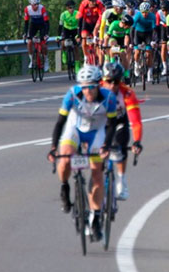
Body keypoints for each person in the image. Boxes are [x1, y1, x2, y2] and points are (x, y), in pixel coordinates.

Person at [48, 66, 119, 239]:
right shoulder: (72, 94)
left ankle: (95, 217)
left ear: (98, 85)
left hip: (98, 131)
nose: (88, 90)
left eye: (91, 86)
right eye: (84, 86)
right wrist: (53, 147)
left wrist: (106, 147)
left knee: (97, 172)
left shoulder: (108, 97)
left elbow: (111, 126)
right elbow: (60, 122)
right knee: (64, 160)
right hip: (75, 129)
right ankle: (65, 187)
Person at [101, 61, 143, 201]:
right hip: (100, 122)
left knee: (121, 142)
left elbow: (135, 122)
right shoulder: (96, 90)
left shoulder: (127, 94)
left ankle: (121, 179)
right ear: (103, 80)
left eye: (116, 82)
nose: (113, 85)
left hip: (119, 121)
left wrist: (137, 141)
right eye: (109, 81)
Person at [22, 0, 50, 72]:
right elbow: (26, 22)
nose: (36, 6)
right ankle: (31, 60)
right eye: (35, 4)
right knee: (29, 41)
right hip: (33, 25)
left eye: (38, 4)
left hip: (42, 25)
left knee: (43, 44)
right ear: (31, 4)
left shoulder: (42, 9)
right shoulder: (27, 9)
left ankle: (46, 60)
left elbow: (47, 22)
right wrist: (25, 33)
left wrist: (46, 34)